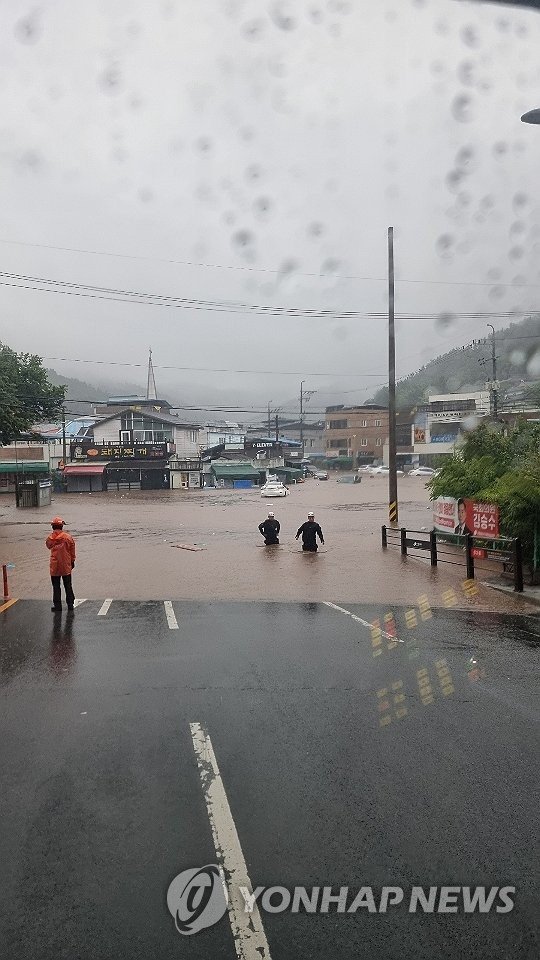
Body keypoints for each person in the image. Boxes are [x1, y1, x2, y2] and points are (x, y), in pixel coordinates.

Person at [46, 516, 76, 612]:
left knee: (56, 586)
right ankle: (70, 604)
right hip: (66, 565)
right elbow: (72, 551)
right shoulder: (68, 538)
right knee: (68, 585)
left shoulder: (50, 539)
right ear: (62, 526)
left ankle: (57, 606)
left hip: (55, 566)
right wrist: (72, 561)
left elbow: (48, 546)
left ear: (53, 527)